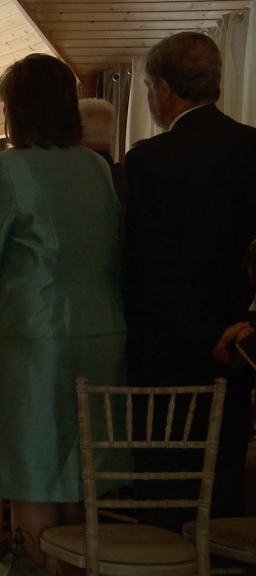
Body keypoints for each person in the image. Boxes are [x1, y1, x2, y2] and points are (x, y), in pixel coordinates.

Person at [0, 54, 127, 566]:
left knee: (31, 474)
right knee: (82, 472)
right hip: (101, 335)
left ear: (14, 109)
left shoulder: (8, 169)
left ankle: (33, 567)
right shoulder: (97, 167)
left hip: (31, 341)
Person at [123, 32, 256, 529]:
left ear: (163, 87)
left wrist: (204, 335)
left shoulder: (149, 161)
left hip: (170, 354)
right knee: (222, 484)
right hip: (241, 346)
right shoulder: (252, 148)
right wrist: (239, 328)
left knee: (167, 489)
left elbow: (154, 268)